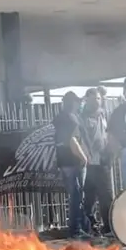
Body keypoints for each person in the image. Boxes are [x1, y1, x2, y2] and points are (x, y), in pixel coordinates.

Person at [53, 91, 88, 239]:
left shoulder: (59, 118)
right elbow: (72, 141)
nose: (80, 104)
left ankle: (80, 227)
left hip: (63, 161)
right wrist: (83, 157)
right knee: (76, 196)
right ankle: (76, 229)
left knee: (73, 195)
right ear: (73, 102)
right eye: (78, 102)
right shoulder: (71, 119)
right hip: (73, 162)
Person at [79, 88, 113, 236]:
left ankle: (108, 228)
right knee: (89, 198)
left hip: (103, 162)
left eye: (98, 99)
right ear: (86, 100)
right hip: (89, 164)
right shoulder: (82, 118)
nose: (97, 102)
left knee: (106, 196)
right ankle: (89, 226)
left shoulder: (104, 115)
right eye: (93, 99)